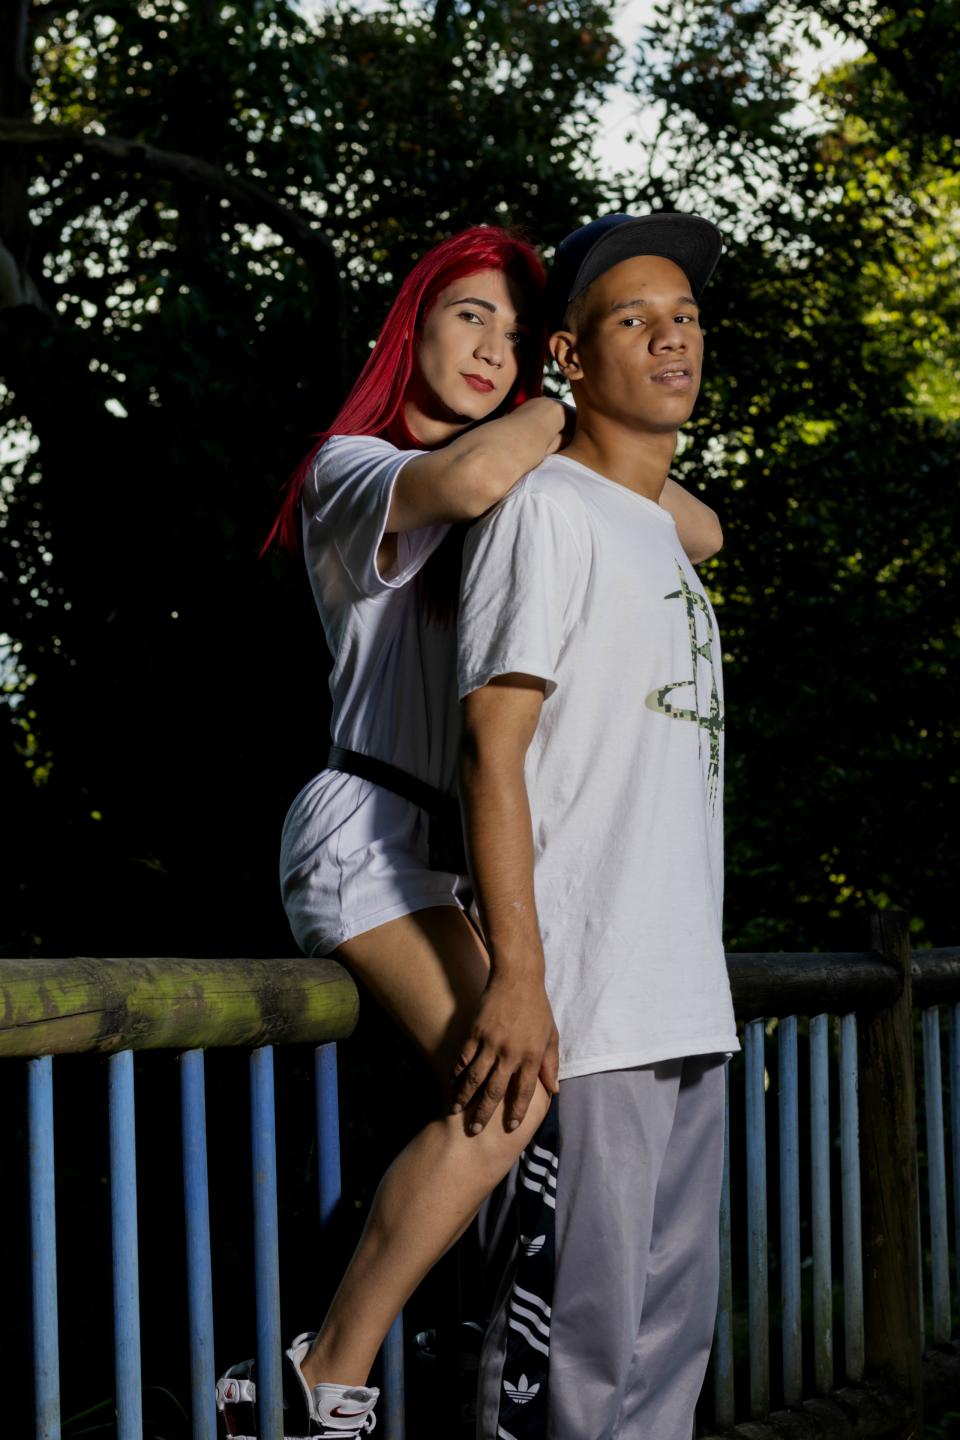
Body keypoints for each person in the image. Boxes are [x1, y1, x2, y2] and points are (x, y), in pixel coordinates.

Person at [216, 223, 724, 1440]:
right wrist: (563, 400)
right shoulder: (358, 469)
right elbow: (472, 476)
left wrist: (594, 423)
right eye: (470, 318)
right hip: (366, 829)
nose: (494, 349)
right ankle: (323, 1378)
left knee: (509, 1107)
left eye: (514, 329)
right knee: (513, 1100)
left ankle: (356, 1353)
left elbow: (694, 528)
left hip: (443, 859)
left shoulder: (527, 487)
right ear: (413, 329)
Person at [456, 213, 739, 1440]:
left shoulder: (663, 535)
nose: (672, 337)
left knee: (663, 1365)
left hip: (686, 1005)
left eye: (686, 316)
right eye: (636, 318)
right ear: (570, 354)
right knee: (566, 1371)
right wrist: (521, 976)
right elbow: (491, 749)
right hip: (586, 1017)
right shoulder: (548, 513)